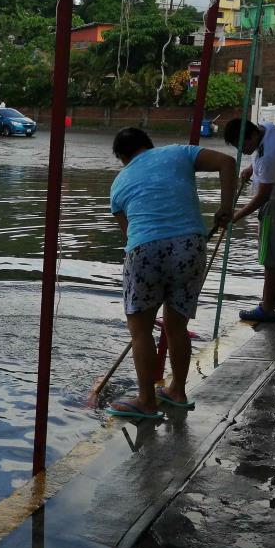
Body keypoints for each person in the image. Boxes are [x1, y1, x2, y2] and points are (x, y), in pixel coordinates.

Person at [108, 127, 237, 419]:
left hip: (146, 249)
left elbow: (129, 237)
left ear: (122, 157)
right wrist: (226, 207)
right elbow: (227, 163)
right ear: (149, 145)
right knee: (176, 327)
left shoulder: (118, 184)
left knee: (141, 332)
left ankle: (146, 401)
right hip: (191, 245)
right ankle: (177, 390)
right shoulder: (179, 152)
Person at [224, 117, 275, 323]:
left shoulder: (269, 157)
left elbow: (262, 197)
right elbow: (258, 154)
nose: (242, 151)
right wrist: (251, 169)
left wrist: (235, 216)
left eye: (243, 146)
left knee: (271, 257)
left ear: (252, 136)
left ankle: (267, 308)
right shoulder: (267, 128)